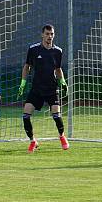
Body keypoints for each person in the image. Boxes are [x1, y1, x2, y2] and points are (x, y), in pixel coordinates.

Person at [18, 24, 69, 153]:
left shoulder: (58, 51)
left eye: (52, 34)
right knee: (25, 115)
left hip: (52, 88)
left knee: (56, 115)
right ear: (42, 35)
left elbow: (58, 69)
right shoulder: (33, 49)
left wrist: (62, 81)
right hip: (37, 89)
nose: (49, 36)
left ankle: (62, 137)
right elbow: (26, 67)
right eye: (47, 34)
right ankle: (32, 141)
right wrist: (23, 83)